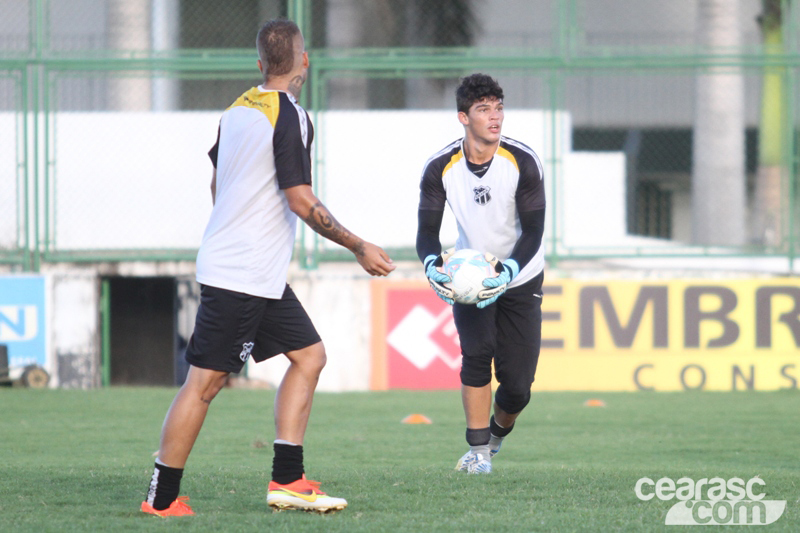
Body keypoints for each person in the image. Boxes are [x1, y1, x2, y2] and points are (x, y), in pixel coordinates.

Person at [141, 18, 395, 516]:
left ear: (260, 65)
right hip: (242, 274)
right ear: (305, 61)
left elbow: (216, 184)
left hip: (252, 271)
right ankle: (161, 498)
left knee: (310, 356)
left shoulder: (238, 108)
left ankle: (288, 479)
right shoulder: (291, 115)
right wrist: (358, 245)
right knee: (205, 384)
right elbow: (300, 199)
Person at [416, 73, 546, 474]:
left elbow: (535, 230)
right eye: (484, 109)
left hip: (520, 277)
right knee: (475, 355)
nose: (495, 117)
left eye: (499, 107)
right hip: (470, 278)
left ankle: (494, 439)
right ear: (463, 117)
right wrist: (431, 266)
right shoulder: (440, 168)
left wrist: (507, 270)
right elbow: (426, 233)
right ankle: (476, 453)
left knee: (518, 388)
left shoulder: (522, 161)